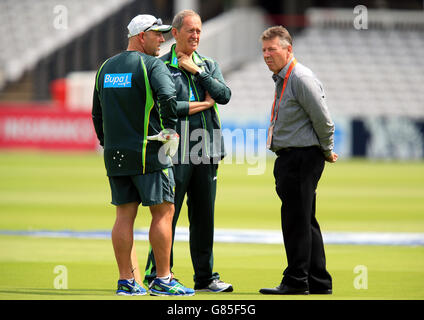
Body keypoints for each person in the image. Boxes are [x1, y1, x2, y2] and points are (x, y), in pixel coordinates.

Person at [92, 14, 194, 297]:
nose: (163, 40)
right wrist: (171, 132)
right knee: (164, 212)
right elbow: (168, 99)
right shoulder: (151, 65)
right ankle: (163, 279)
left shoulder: (105, 68)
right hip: (151, 152)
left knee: (124, 215)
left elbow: (96, 113)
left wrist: (108, 143)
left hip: (115, 154)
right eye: (158, 35)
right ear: (141, 36)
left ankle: (126, 282)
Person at [143, 9, 233, 293]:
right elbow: (167, 107)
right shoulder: (161, 67)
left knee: (204, 218)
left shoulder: (208, 63)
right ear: (175, 33)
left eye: (198, 31)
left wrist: (198, 72)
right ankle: (156, 274)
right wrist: (204, 104)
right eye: (190, 31)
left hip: (207, 151)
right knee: (167, 215)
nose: (195, 36)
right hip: (174, 150)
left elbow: (224, 95)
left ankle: (205, 279)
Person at [259, 26, 338, 295]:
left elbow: (324, 120)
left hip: (301, 157)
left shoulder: (300, 78)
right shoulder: (285, 78)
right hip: (294, 156)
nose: (267, 55)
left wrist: (326, 149)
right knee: (305, 220)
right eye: (264, 50)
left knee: (295, 220)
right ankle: (318, 281)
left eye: (272, 49)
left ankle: (295, 280)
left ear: (288, 49)